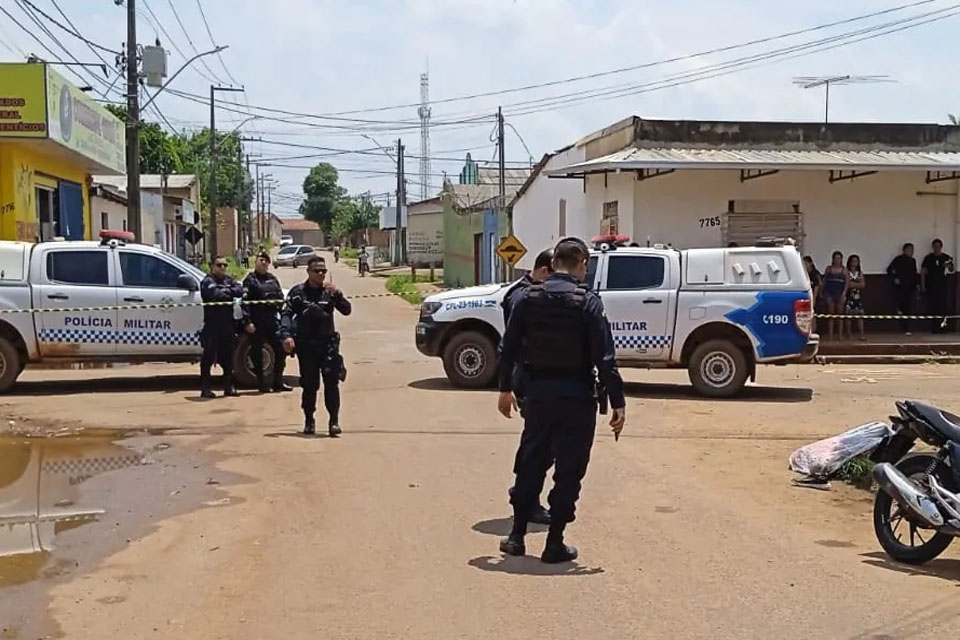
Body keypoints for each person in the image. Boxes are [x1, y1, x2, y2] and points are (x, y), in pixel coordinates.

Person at [497, 237, 626, 564]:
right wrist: (618, 402)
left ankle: (516, 536)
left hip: (538, 395)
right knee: (569, 470)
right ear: (581, 263)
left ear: (554, 264)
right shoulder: (588, 302)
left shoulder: (527, 298)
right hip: (576, 398)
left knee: (531, 462)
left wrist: (504, 389)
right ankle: (554, 542)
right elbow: (605, 359)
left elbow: (508, 348)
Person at [502, 248, 554, 527]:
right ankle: (527, 496)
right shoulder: (521, 297)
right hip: (529, 377)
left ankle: (523, 490)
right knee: (540, 443)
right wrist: (506, 386)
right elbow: (512, 345)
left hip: (532, 377)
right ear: (544, 271)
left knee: (540, 441)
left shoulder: (526, 293)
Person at [280, 256, 352, 437]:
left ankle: (333, 421)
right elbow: (287, 314)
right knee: (310, 385)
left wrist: (338, 294)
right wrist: (286, 336)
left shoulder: (329, 292)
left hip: (327, 345)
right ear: (308, 272)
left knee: (331, 384)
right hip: (307, 346)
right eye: (317, 271)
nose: (321, 274)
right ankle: (309, 419)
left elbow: (347, 310)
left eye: (323, 271)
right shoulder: (298, 293)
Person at [243, 251, 291, 393]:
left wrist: (276, 303)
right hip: (257, 320)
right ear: (256, 262)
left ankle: (278, 381)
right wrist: (248, 322)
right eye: (261, 259)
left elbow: (281, 297)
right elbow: (244, 302)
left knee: (281, 349)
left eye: (266, 261)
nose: (263, 262)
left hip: (271, 319)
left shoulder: (272, 279)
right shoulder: (250, 280)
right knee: (257, 353)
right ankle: (261, 383)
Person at [199, 256, 243, 399]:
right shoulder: (207, 281)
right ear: (212, 266)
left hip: (227, 325)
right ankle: (205, 388)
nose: (223, 267)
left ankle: (229, 386)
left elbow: (239, 290)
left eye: (225, 265)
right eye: (219, 265)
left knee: (228, 358)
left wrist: (226, 291)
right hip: (212, 325)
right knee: (208, 357)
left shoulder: (228, 280)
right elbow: (214, 295)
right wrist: (228, 292)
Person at [922, 239, 954, 334]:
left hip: (942, 286)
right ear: (932, 247)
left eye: (938, 246)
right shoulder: (928, 258)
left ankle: (943, 326)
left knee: (943, 306)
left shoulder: (946, 257)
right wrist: (923, 286)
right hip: (931, 286)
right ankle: (934, 327)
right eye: (935, 246)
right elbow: (923, 272)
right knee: (932, 306)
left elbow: (952, 269)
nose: (936, 248)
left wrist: (948, 266)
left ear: (941, 247)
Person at [887, 243, 918, 335]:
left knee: (908, 308)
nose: (911, 252)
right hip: (900, 288)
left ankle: (907, 328)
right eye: (910, 250)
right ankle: (901, 321)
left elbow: (914, 273)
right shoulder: (898, 259)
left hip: (910, 287)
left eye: (912, 250)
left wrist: (916, 285)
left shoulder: (913, 261)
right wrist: (895, 278)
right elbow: (890, 270)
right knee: (901, 305)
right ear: (905, 250)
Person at [821, 251, 848, 341]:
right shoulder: (829, 269)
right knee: (831, 314)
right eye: (836, 258)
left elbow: (847, 283)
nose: (837, 260)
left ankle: (840, 335)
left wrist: (844, 294)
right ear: (833, 259)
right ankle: (830, 335)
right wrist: (822, 292)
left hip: (840, 293)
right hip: (829, 293)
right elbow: (824, 281)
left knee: (840, 315)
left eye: (839, 258)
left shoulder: (844, 270)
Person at [844, 254, 866, 341]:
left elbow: (863, 284)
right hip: (848, 295)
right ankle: (848, 334)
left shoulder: (860, 273)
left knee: (860, 315)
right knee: (848, 315)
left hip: (857, 296)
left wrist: (854, 284)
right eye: (853, 261)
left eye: (856, 261)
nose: (854, 263)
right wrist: (857, 284)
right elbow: (848, 284)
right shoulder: (846, 272)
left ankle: (862, 334)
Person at [803, 256, 822, 334]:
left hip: (814, 296)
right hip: (805, 297)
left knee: (813, 315)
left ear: (810, 263)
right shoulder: (803, 274)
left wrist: (813, 299)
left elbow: (817, 287)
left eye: (806, 263)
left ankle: (813, 331)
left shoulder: (815, 274)